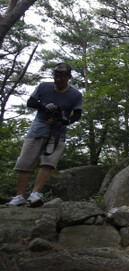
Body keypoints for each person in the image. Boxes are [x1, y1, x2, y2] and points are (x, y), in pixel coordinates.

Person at [6, 63, 83, 207]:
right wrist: (44, 106)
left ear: (69, 77)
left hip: (58, 132)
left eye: (62, 75)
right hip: (38, 129)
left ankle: (35, 193)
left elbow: (77, 114)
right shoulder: (43, 87)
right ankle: (19, 196)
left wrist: (65, 120)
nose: (58, 78)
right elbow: (31, 102)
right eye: (56, 75)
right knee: (26, 162)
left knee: (49, 163)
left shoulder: (75, 94)